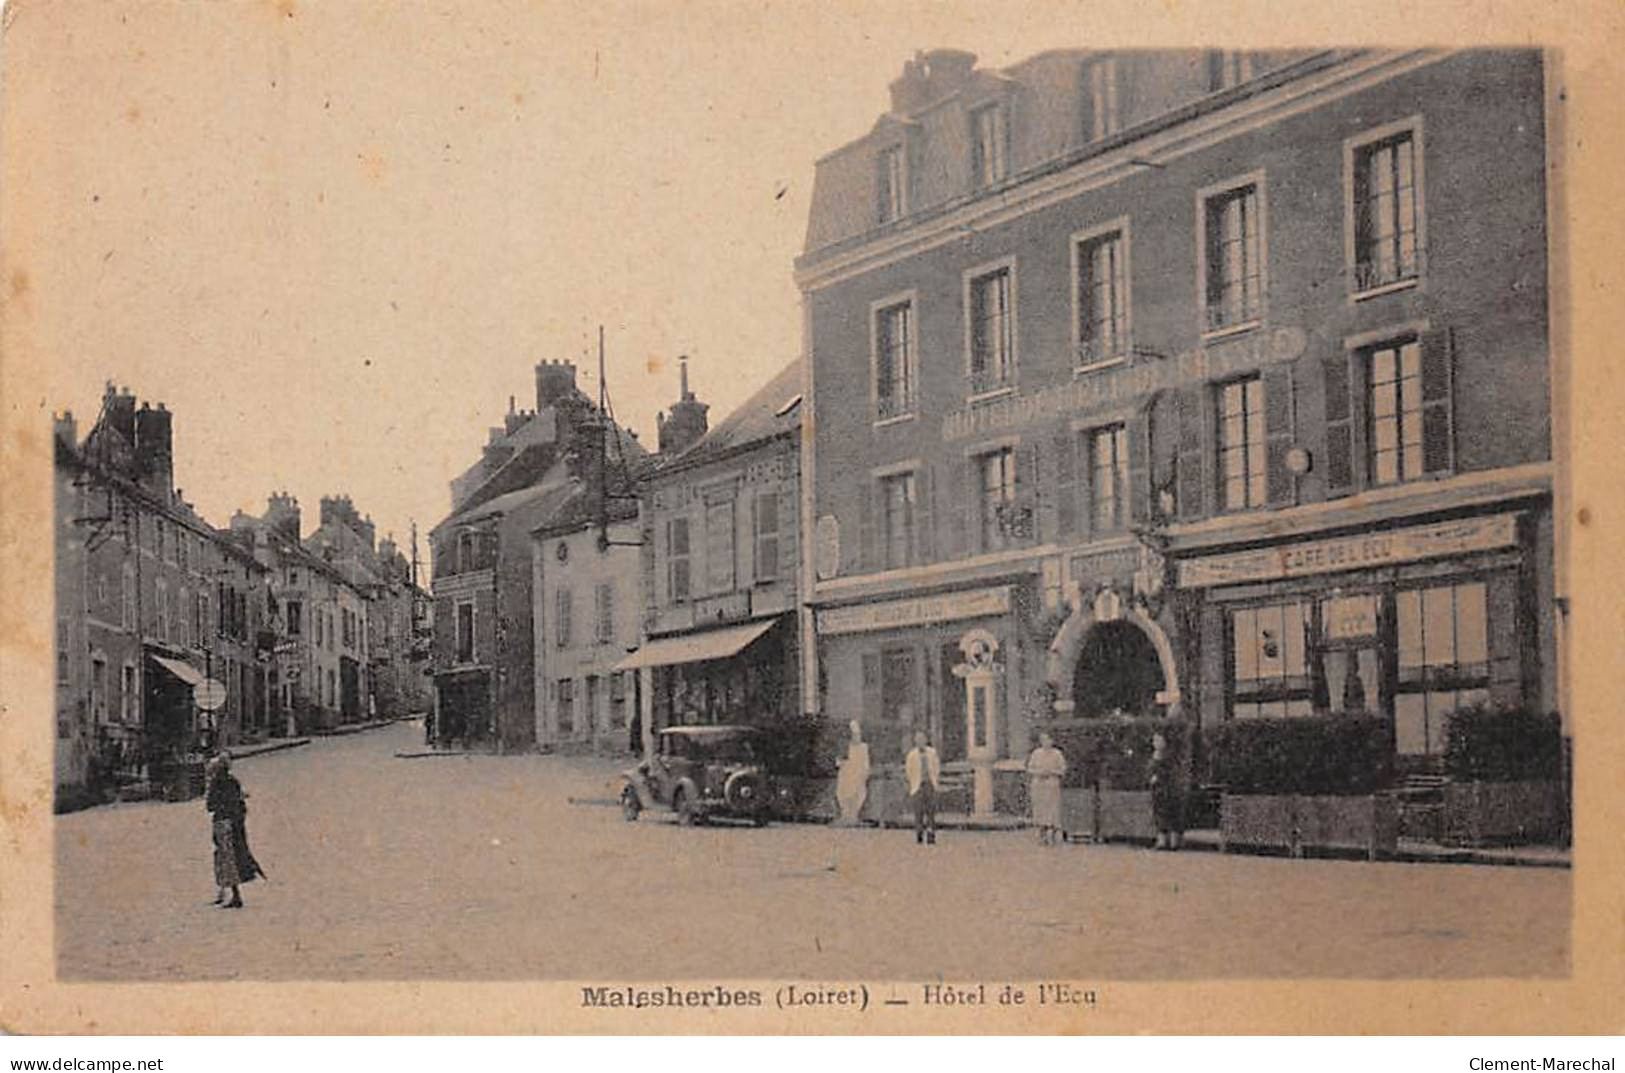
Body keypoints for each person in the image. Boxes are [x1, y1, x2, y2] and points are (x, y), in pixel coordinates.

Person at [204, 753, 264, 908]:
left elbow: (210, 806)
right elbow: (239, 803)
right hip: (236, 822)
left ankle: (234, 895)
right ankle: (224, 892)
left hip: (222, 822)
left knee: (225, 858)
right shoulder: (233, 782)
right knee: (231, 855)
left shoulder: (216, 784)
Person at [1026, 731, 1069, 846]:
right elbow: (1030, 768)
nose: (1046, 742)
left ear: (1052, 741)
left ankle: (1053, 832)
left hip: (1051, 783)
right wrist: (1038, 772)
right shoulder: (1036, 753)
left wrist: (1052, 772)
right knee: (1040, 809)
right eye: (1043, 740)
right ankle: (1042, 834)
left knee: (1052, 808)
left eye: (1048, 740)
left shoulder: (1057, 754)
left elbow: (1063, 769)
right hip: (1039, 784)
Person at [1149, 730, 1184, 851]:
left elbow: (1171, 772)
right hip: (1157, 789)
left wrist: (1159, 776)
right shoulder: (1154, 756)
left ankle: (1174, 842)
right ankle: (1162, 841)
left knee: (1170, 813)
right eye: (1155, 741)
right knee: (1159, 813)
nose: (1156, 743)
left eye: (1159, 740)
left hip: (1168, 788)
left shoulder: (1168, 756)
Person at [904, 729, 941, 845]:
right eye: (918, 739)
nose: (920, 741)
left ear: (926, 740)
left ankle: (931, 833)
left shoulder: (932, 753)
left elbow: (936, 767)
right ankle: (919, 832)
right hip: (917, 785)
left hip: (929, 784)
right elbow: (909, 771)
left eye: (922, 738)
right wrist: (913, 783)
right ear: (915, 741)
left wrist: (934, 780)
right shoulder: (912, 755)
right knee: (918, 811)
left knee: (930, 810)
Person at [834, 719, 871, 826]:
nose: (856, 737)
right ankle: (845, 816)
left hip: (858, 777)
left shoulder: (864, 747)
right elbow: (839, 763)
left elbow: (865, 763)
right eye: (854, 734)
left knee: (857, 795)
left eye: (858, 734)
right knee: (844, 795)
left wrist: (864, 774)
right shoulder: (845, 747)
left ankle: (854, 817)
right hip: (846, 776)